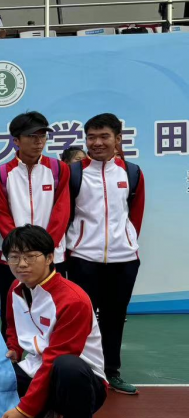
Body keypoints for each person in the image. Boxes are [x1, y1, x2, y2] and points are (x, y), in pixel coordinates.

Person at [0, 225, 106, 418]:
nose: (21, 264)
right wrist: (14, 349)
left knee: (67, 366)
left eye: (30, 256)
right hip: (39, 368)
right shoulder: (16, 288)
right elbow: (12, 325)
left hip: (82, 381)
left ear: (49, 257)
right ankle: (46, 413)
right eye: (14, 257)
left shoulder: (73, 300)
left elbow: (55, 359)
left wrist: (24, 411)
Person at [65, 113, 145, 395]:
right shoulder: (74, 173)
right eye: (91, 137)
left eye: (104, 137)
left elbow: (135, 215)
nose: (97, 143)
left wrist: (126, 242)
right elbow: (66, 214)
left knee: (114, 317)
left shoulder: (131, 172)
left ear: (118, 139)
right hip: (82, 258)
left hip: (124, 260)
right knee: (83, 319)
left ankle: (112, 372)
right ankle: (85, 372)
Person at [0, 112, 70, 338]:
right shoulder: (2, 174)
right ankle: (12, 354)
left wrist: (44, 249)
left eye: (42, 136)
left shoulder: (58, 169)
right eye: (32, 136)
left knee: (53, 312)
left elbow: (62, 210)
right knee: (13, 312)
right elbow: (2, 214)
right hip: (14, 258)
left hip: (51, 256)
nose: (39, 142)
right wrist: (22, 250)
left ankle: (52, 355)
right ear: (16, 140)